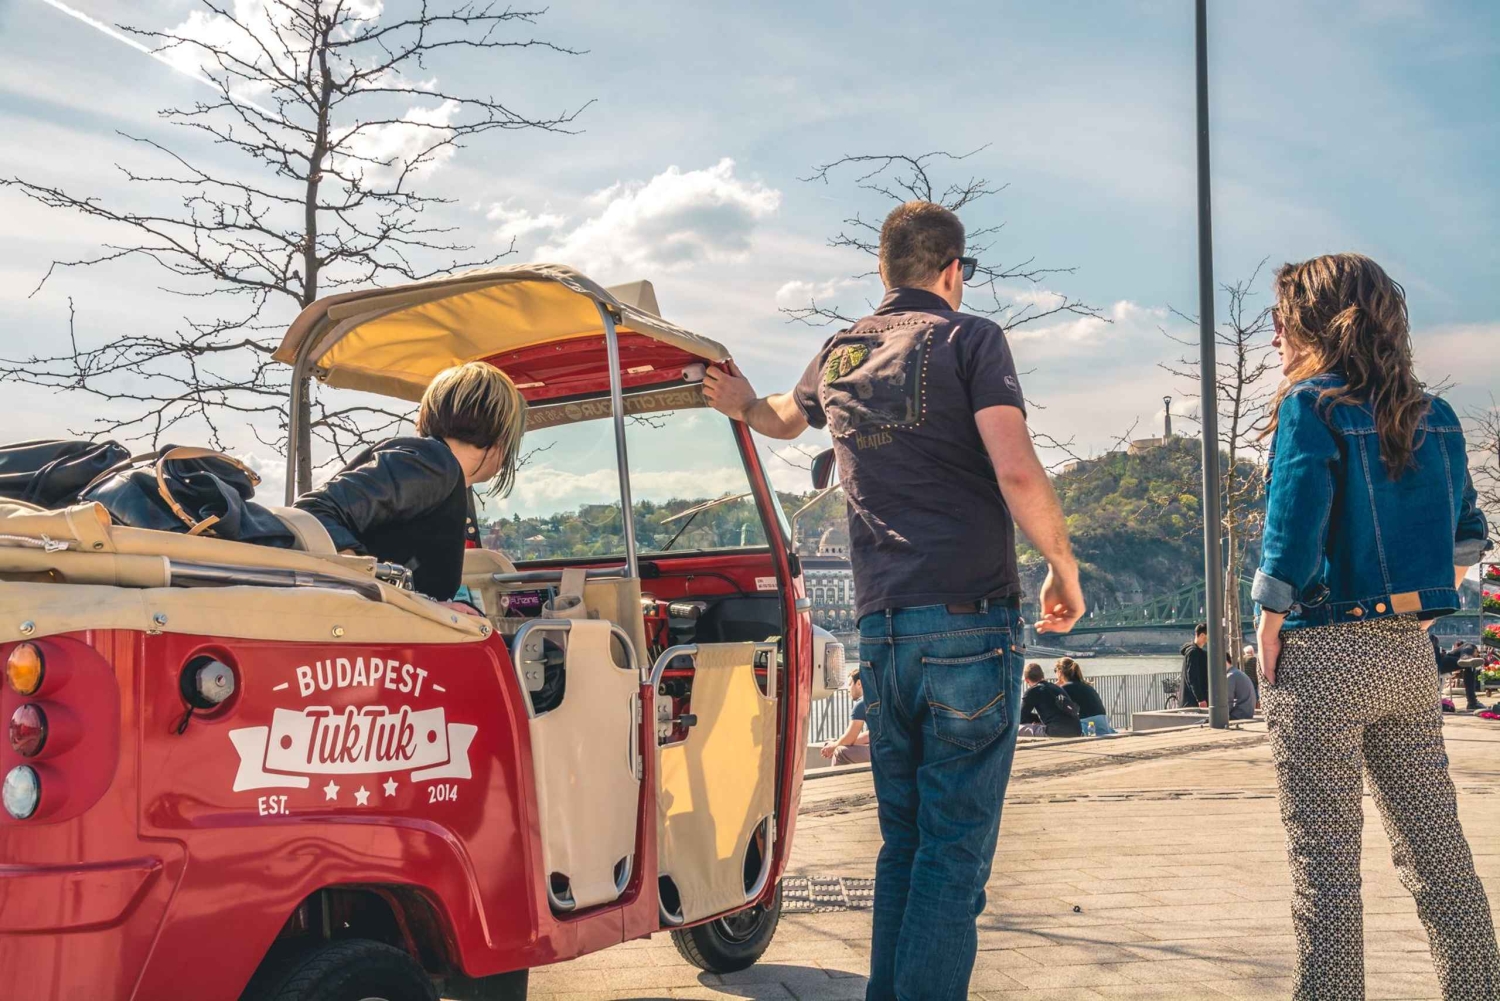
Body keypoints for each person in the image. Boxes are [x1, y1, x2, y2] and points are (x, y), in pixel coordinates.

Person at [702, 200, 1084, 1001]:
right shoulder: (970, 337)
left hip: (883, 632)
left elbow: (777, 416)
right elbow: (1014, 466)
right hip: (969, 622)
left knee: (903, 846)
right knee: (953, 856)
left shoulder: (840, 352)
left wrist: (738, 397)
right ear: (953, 270)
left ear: (883, 271)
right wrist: (1061, 563)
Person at [1253, 253, 1498, 1000]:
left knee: (1323, 867)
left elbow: (1292, 526)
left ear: (1311, 322)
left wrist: (1268, 616)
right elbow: (1468, 534)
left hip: (1325, 650)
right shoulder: (1438, 414)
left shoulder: (1312, 407)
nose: (1274, 338)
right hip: (1405, 656)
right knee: (1438, 853)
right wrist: (1423, 597)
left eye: (1280, 320)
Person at [296, 362, 527, 603]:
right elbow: (313, 511)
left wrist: (437, 608)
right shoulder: (434, 466)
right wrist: (368, 582)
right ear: (501, 434)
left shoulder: (438, 472)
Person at [822, 667, 871, 765]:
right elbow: (870, 735)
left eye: (849, 684)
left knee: (839, 752)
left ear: (859, 683)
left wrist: (834, 746)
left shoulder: (862, 704)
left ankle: (835, 780)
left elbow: (849, 738)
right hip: (899, 751)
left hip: (884, 754)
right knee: (839, 745)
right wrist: (837, 742)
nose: (848, 689)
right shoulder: (876, 699)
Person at [1019, 663, 1083, 738]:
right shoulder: (1057, 687)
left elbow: (1020, 718)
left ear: (1026, 680)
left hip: (1055, 732)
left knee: (1017, 729)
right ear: (1042, 675)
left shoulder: (1032, 691)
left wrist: (1036, 721)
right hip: (1076, 731)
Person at [1055, 658, 1115, 735]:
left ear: (1060, 672)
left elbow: (1053, 708)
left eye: (1055, 671)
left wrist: (1055, 686)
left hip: (1087, 726)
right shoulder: (1087, 686)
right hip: (1103, 723)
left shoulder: (1064, 688)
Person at [1179, 623, 1209, 708]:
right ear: (1203, 635)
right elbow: (1193, 677)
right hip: (1193, 701)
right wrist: (1200, 699)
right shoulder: (1193, 652)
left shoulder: (1196, 652)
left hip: (1191, 700)